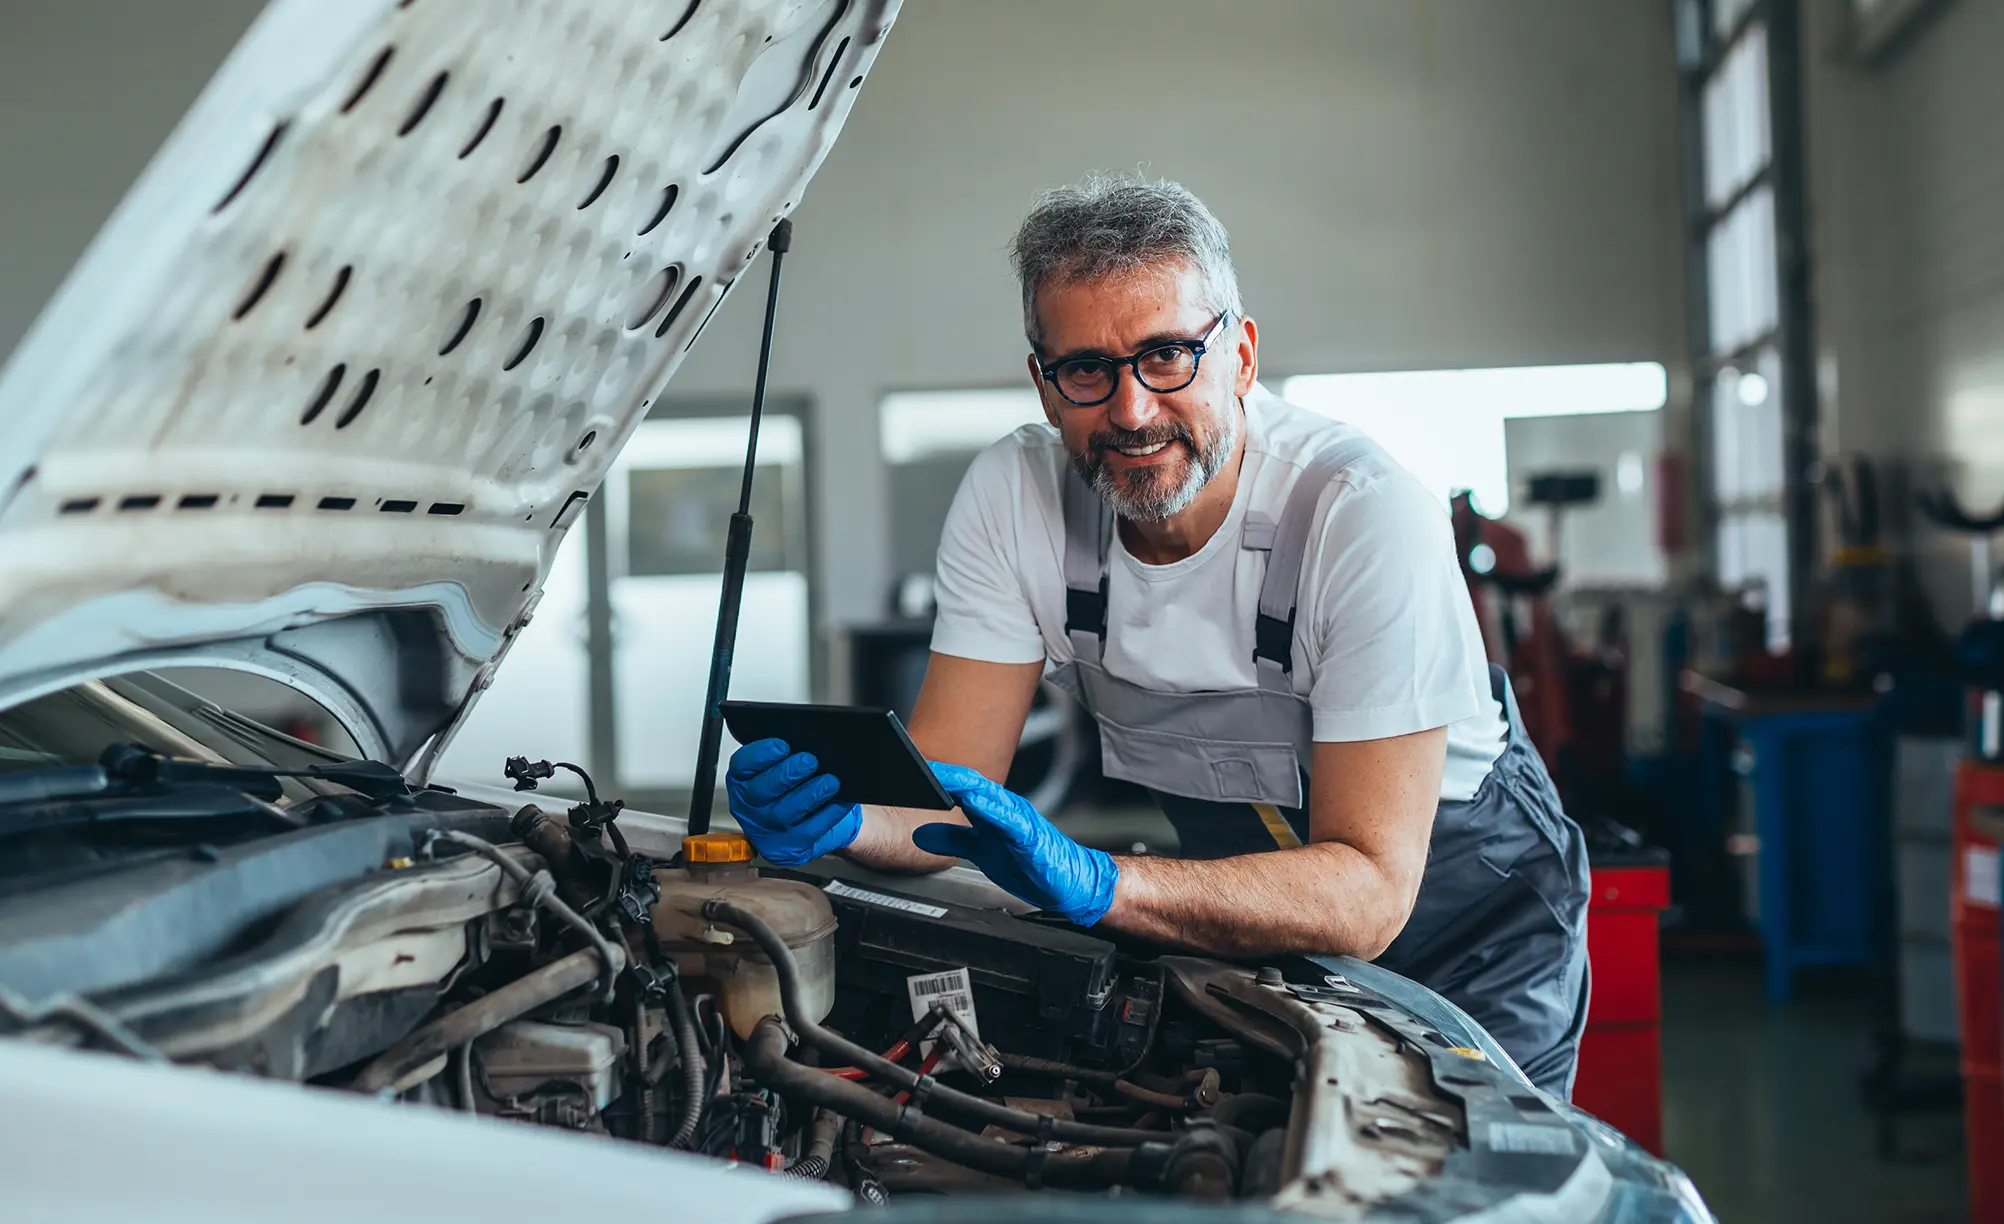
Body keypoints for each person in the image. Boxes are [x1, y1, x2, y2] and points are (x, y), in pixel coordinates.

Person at [724, 173, 1591, 1097]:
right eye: (1088, 369)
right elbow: (943, 799)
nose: (1131, 411)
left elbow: (1371, 894)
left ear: (1243, 358)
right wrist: (849, 819)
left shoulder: (1358, 512)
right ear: (1045, 386)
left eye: (1169, 355)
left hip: (1466, 920)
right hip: (1248, 909)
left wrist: (1103, 884)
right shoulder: (1013, 499)